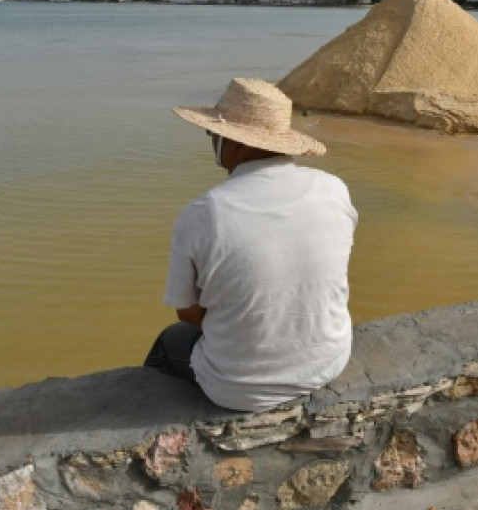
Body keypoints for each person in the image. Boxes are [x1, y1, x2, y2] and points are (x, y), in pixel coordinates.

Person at [144, 77, 356, 411]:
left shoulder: (203, 214)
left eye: (213, 133)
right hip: (329, 362)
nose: (211, 140)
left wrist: (244, 325)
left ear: (237, 144)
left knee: (169, 342)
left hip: (238, 389)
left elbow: (187, 312)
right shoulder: (334, 189)